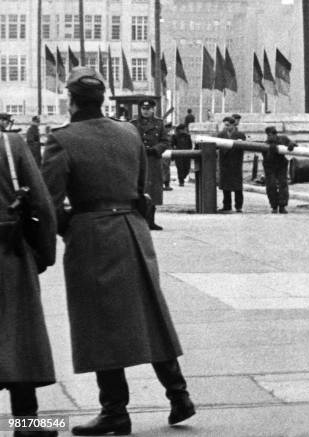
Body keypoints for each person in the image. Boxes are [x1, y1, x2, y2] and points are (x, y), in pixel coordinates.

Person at [42, 67, 195, 435]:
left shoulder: (63, 139)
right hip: (133, 230)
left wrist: (64, 228)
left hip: (92, 234)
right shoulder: (128, 132)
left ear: (72, 100)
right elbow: (142, 186)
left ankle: (115, 410)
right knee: (151, 315)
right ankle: (179, 396)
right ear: (103, 99)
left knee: (99, 324)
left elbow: (50, 201)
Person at [1, 130, 58, 437]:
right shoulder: (11, 145)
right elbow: (43, 206)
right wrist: (44, 255)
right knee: (19, 335)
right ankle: (26, 423)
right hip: (8, 252)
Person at [131, 99, 169, 230]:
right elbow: (128, 140)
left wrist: (155, 149)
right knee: (138, 189)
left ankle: (151, 221)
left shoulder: (159, 124)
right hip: (138, 160)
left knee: (153, 190)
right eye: (143, 109)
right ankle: (138, 221)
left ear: (153, 109)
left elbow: (165, 141)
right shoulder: (133, 124)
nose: (145, 111)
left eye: (148, 109)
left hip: (153, 160)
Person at [263, 126, 296, 214]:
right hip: (269, 166)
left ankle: (282, 206)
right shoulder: (266, 144)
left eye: (271, 135)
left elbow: (293, 143)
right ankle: (274, 206)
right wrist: (272, 150)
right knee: (271, 185)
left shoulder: (283, 139)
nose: (270, 137)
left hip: (281, 165)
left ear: (275, 134)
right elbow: (266, 158)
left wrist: (291, 145)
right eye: (268, 135)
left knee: (283, 184)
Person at [218, 116, 246, 212]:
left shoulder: (240, 135)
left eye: (228, 125)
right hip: (225, 162)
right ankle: (227, 205)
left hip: (235, 162)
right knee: (225, 186)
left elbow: (243, 146)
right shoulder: (221, 134)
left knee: (237, 186)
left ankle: (238, 206)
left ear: (233, 125)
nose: (226, 127)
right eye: (225, 125)